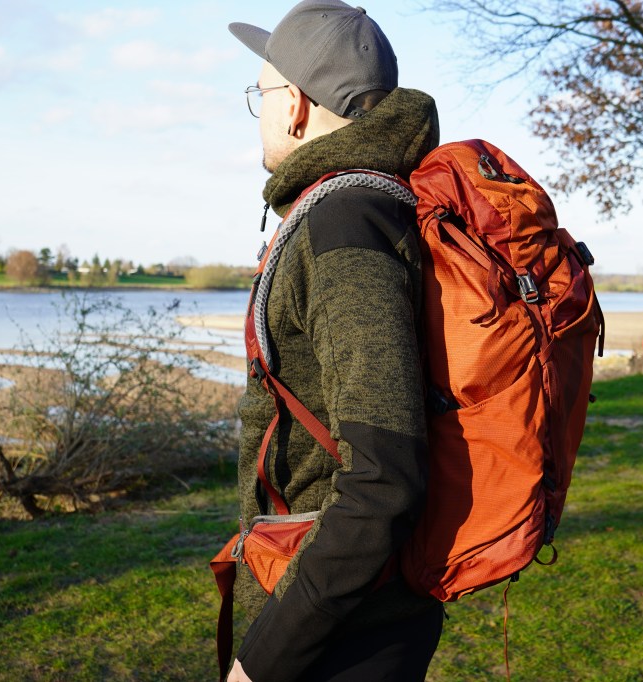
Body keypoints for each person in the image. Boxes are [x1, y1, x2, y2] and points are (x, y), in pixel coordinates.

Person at [226, 2, 442, 680]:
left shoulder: (345, 224)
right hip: (355, 608)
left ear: (292, 104)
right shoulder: (376, 204)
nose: (258, 112)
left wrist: (260, 662)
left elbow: (382, 477)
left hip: (348, 631)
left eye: (258, 95)